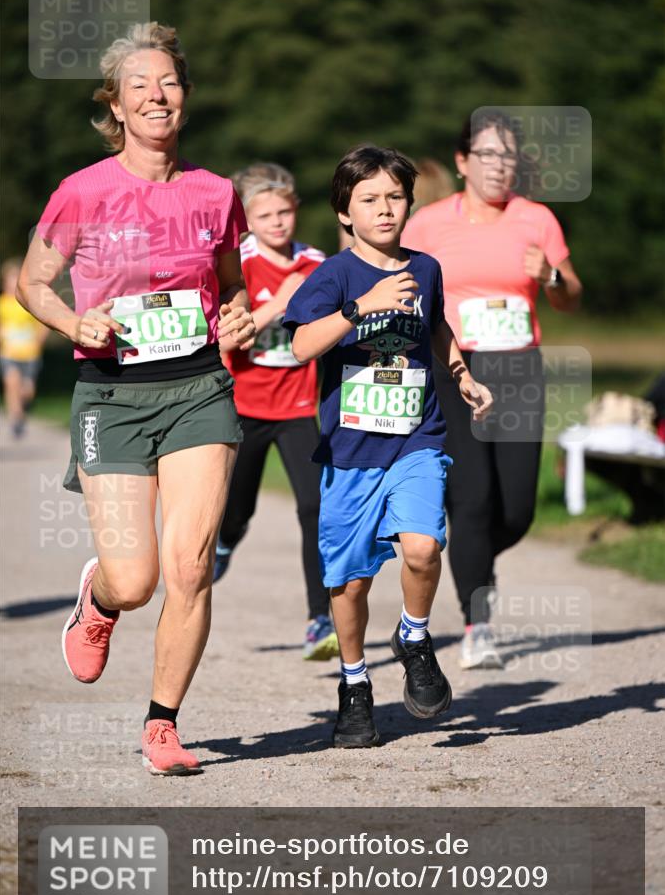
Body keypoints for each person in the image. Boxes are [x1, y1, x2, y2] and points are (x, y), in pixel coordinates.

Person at [16, 22, 256, 775]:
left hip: (197, 390)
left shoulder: (216, 193)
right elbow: (31, 282)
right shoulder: (82, 191)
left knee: (190, 568)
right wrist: (72, 319)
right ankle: (101, 600)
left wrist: (242, 311)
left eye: (170, 84)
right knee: (138, 579)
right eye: (140, 87)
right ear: (115, 106)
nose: (158, 96)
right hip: (112, 395)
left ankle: (162, 725)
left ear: (185, 97)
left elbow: (233, 279)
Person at [283, 145, 492, 747]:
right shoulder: (332, 276)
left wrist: (462, 376)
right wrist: (360, 308)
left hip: (415, 439)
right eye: (369, 199)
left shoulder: (425, 269)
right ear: (345, 212)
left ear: (410, 203)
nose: (384, 209)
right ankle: (354, 685)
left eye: (395, 197)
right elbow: (301, 347)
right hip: (349, 452)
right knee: (349, 585)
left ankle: (415, 635)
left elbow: (436, 330)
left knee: (424, 548)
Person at [404, 110, 582, 669]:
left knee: (519, 508)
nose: (498, 166)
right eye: (487, 154)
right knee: (472, 497)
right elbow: (396, 277)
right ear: (462, 162)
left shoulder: (537, 220)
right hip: (458, 365)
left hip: (520, 368)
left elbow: (571, 295)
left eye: (508, 156)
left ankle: (475, 560)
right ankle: (477, 623)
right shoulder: (428, 224)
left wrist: (551, 276)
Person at [217, 162, 339, 660]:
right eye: (264, 214)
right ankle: (225, 542)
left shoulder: (317, 262)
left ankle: (319, 617)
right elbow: (229, 338)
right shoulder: (237, 264)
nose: (277, 222)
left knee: (316, 506)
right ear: (247, 219)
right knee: (238, 506)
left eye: (284, 211)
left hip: (297, 406)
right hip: (244, 404)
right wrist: (280, 304)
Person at [0, 257, 48, 437]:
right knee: (11, 383)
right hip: (9, 353)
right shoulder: (1, 304)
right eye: (9, 280)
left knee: (27, 390)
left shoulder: (28, 302)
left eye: (16, 279)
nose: (12, 284)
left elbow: (42, 325)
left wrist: (38, 340)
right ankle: (15, 418)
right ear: (4, 283)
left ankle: (24, 407)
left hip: (30, 354)